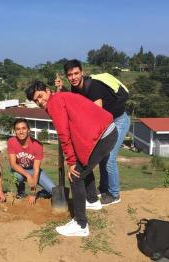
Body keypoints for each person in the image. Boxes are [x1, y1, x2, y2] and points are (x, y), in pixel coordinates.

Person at [26, 81, 117, 237]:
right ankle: (93, 201)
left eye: (40, 96)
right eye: (36, 101)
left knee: (76, 176)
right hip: (107, 132)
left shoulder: (55, 102)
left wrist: (71, 162)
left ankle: (81, 225)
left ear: (47, 91)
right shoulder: (60, 97)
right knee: (84, 165)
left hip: (102, 136)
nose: (40, 102)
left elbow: (63, 133)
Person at [55, 59, 130, 206]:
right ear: (66, 76)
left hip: (118, 120)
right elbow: (77, 102)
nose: (73, 77)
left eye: (76, 73)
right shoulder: (75, 88)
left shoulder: (93, 86)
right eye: (70, 75)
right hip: (107, 122)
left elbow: (97, 115)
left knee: (109, 159)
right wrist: (62, 89)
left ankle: (114, 194)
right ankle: (103, 188)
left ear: (82, 72)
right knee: (103, 157)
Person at [7, 118, 56, 206]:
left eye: (24, 128)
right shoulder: (11, 141)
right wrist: (28, 175)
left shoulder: (37, 145)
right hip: (19, 169)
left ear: (28, 129)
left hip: (33, 169)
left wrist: (33, 192)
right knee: (18, 176)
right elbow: (13, 164)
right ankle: (21, 191)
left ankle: (40, 193)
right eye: (18, 129)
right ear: (14, 131)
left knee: (53, 190)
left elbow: (36, 169)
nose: (21, 131)